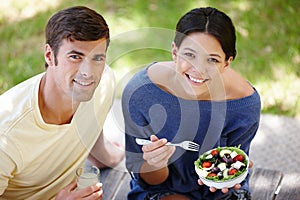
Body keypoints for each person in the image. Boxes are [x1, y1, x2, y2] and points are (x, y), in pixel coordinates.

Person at [122, 7, 260, 200]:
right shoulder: (142, 93)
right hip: (163, 190)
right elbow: (151, 181)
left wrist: (230, 177)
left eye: (212, 59)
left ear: (227, 63)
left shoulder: (243, 104)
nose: (199, 70)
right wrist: (156, 163)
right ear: (174, 52)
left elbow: (234, 166)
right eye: (189, 55)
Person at [0, 6, 124, 199]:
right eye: (75, 57)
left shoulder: (104, 83)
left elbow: (90, 130)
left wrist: (109, 157)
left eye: (97, 58)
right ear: (49, 55)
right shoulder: (6, 135)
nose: (88, 72)